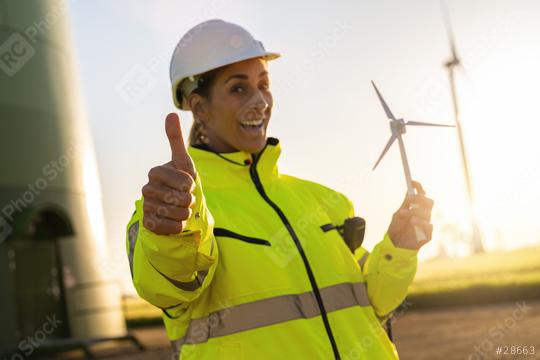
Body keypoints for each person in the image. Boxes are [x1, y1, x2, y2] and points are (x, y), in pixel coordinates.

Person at [126, 19, 434, 360]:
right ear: (200, 108)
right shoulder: (174, 208)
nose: (260, 101)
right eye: (239, 89)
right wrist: (167, 235)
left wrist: (399, 249)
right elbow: (165, 283)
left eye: (264, 84)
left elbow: (372, 304)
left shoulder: (327, 200)